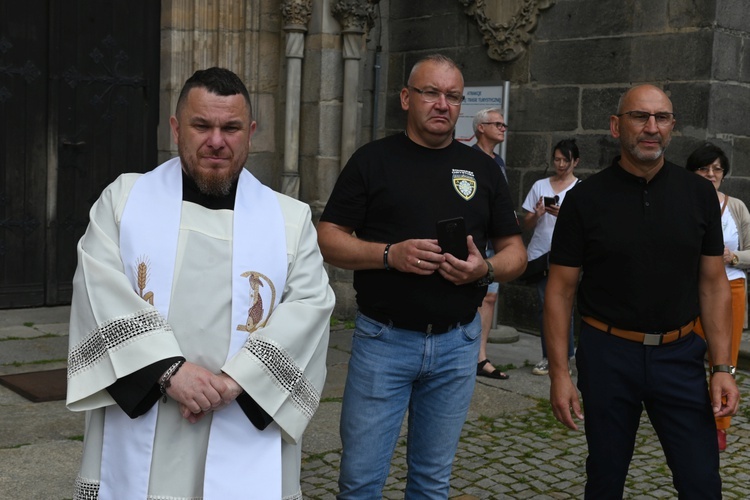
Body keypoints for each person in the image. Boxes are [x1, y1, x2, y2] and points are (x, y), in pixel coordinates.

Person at [66, 67, 335, 499]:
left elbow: (311, 307)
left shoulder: (289, 219)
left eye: (230, 128)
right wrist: (169, 372)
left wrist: (235, 381)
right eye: (201, 125)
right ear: (176, 128)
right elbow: (98, 288)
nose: (216, 141)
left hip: (240, 407)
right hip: (149, 401)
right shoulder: (125, 200)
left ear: (251, 132)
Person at [317, 54, 526, 498]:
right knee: (360, 482)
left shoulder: (484, 169)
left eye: (453, 96)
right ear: (407, 98)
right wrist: (389, 254)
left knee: (432, 482)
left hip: (457, 345)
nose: (442, 104)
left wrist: (483, 269)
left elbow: (516, 254)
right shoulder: (373, 161)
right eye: (431, 92)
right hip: (384, 343)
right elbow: (328, 237)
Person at [544, 84, 739, 499]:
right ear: (616, 126)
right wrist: (560, 374)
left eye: (662, 118)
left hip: (681, 354)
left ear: (672, 127)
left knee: (702, 482)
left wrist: (722, 367)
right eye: (639, 117)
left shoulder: (698, 194)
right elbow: (560, 292)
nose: (652, 127)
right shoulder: (585, 200)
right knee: (605, 479)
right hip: (607, 355)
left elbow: (713, 283)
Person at [686, 142, 750, 452]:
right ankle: (686, 415)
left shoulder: (736, 207)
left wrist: (733, 256)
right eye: (703, 168)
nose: (710, 174)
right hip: (689, 290)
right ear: (692, 173)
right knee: (686, 355)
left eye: (717, 169)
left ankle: (719, 424)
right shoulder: (681, 204)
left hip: (731, 289)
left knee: (726, 358)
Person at [522, 139, 579, 376]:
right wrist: (537, 214)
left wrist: (563, 215)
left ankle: (567, 354)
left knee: (565, 305)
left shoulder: (579, 189)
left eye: (566, 160)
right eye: (557, 159)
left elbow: (583, 227)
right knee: (545, 305)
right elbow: (526, 223)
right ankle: (549, 356)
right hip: (539, 253)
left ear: (576, 161)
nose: (561, 164)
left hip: (566, 255)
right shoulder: (540, 185)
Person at [472, 107, 510, 379]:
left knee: (491, 295)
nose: (503, 127)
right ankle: (468, 352)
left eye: (503, 124)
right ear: (480, 128)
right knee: (476, 296)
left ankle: (481, 356)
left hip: (494, 239)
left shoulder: (499, 162)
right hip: (476, 239)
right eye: (497, 123)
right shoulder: (469, 158)